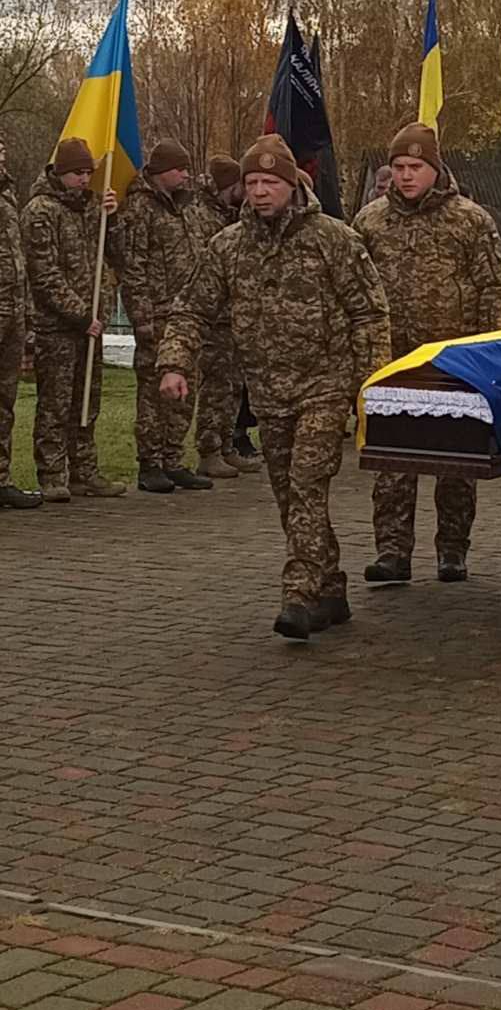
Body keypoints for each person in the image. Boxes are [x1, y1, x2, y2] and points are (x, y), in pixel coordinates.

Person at [159, 135, 391, 640]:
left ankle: (299, 593)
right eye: (253, 183)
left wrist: (368, 385)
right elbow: (191, 308)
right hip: (267, 392)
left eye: (271, 182)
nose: (260, 192)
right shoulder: (228, 246)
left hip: (324, 387)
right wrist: (174, 363)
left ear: (292, 185)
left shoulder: (333, 238)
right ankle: (331, 587)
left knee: (307, 482)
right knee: (290, 495)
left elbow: (368, 313)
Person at [353, 122, 501, 586]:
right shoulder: (370, 221)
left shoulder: (470, 220)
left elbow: (494, 288)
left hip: (455, 364)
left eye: (415, 167)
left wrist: (489, 355)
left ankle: (452, 549)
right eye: (399, 167)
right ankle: (392, 552)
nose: (406, 176)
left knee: (456, 464)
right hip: (392, 360)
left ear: (435, 168)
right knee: (391, 461)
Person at [20, 137, 124, 502]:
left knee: (87, 400)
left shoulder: (93, 208)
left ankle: (84, 469)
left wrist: (112, 220)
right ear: (60, 172)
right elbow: (45, 275)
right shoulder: (41, 211)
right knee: (56, 402)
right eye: (78, 173)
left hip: (91, 326)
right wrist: (82, 314)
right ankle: (52, 473)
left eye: (88, 173)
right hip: (57, 327)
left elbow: (115, 256)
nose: (84, 180)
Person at [115, 139, 210, 494]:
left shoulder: (185, 207)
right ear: (160, 172)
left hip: (187, 316)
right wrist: (141, 315)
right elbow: (132, 266)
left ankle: (173, 457)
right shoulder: (140, 208)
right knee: (154, 392)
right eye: (179, 169)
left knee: (186, 387)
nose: (186, 175)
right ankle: (150, 461)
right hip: (155, 314)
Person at [185, 154, 259, 479]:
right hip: (215, 317)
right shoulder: (201, 217)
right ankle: (209, 447)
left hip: (236, 316)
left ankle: (228, 443)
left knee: (233, 385)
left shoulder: (230, 216)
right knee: (215, 384)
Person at [0, 138, 39, 509]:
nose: (2, 153)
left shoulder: (8, 196)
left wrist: (25, 316)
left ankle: (1, 477)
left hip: (10, 313)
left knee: (5, 400)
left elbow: (17, 260)